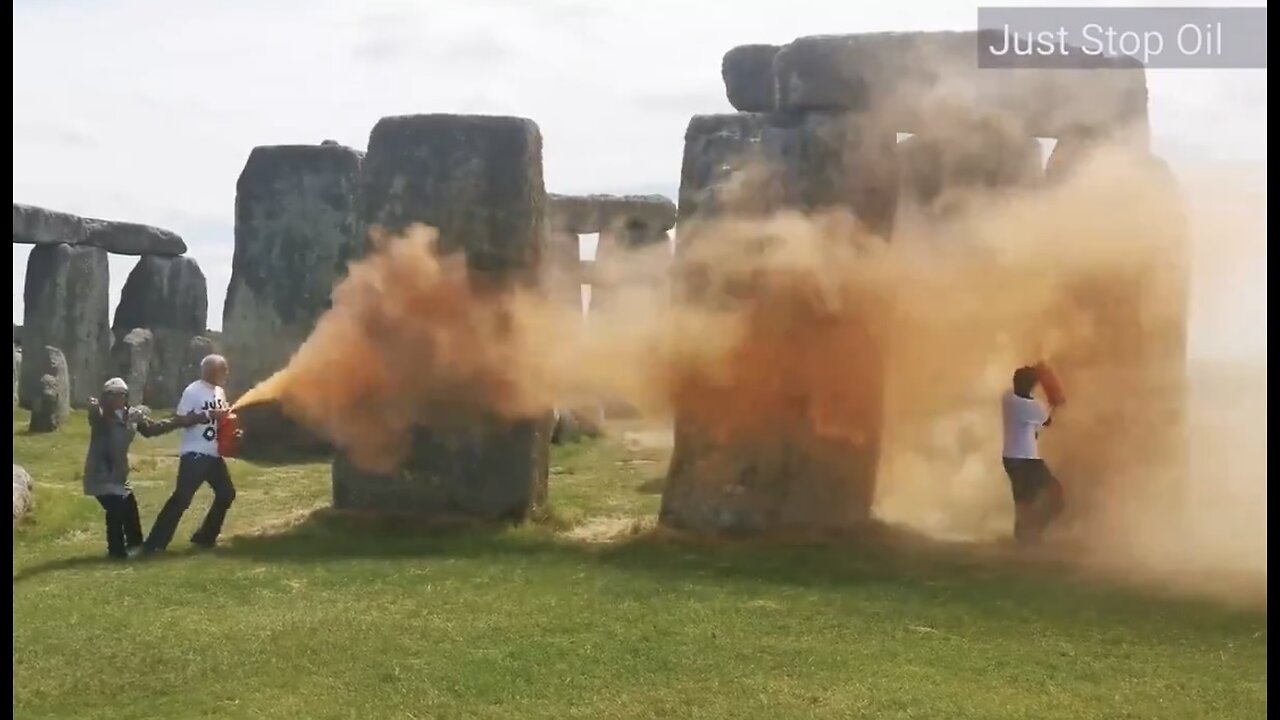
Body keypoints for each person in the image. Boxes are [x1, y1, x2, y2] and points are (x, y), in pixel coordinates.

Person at [83, 377, 203, 560]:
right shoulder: (101, 418)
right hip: (100, 474)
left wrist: (182, 421)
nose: (117, 399)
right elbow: (94, 414)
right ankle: (116, 553)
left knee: (130, 508)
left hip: (119, 475)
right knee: (115, 510)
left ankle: (135, 546)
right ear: (105, 398)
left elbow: (152, 429)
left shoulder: (132, 416)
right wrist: (92, 406)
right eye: (112, 395)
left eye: (121, 395)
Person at [143, 355, 242, 553]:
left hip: (213, 455)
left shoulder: (220, 392)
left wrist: (232, 431)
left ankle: (205, 537)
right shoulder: (193, 391)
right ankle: (154, 544)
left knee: (226, 494)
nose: (227, 374)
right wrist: (208, 415)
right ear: (211, 371)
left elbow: (220, 421)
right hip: (195, 455)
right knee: (182, 499)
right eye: (224, 370)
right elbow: (181, 419)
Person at [1001, 366, 1065, 544]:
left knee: (1023, 504)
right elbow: (1048, 420)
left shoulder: (1007, 397)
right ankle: (1034, 532)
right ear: (1032, 386)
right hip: (1027, 460)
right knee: (1056, 497)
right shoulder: (1032, 406)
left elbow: (1037, 423)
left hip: (1010, 458)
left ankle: (1023, 540)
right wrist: (1055, 400)